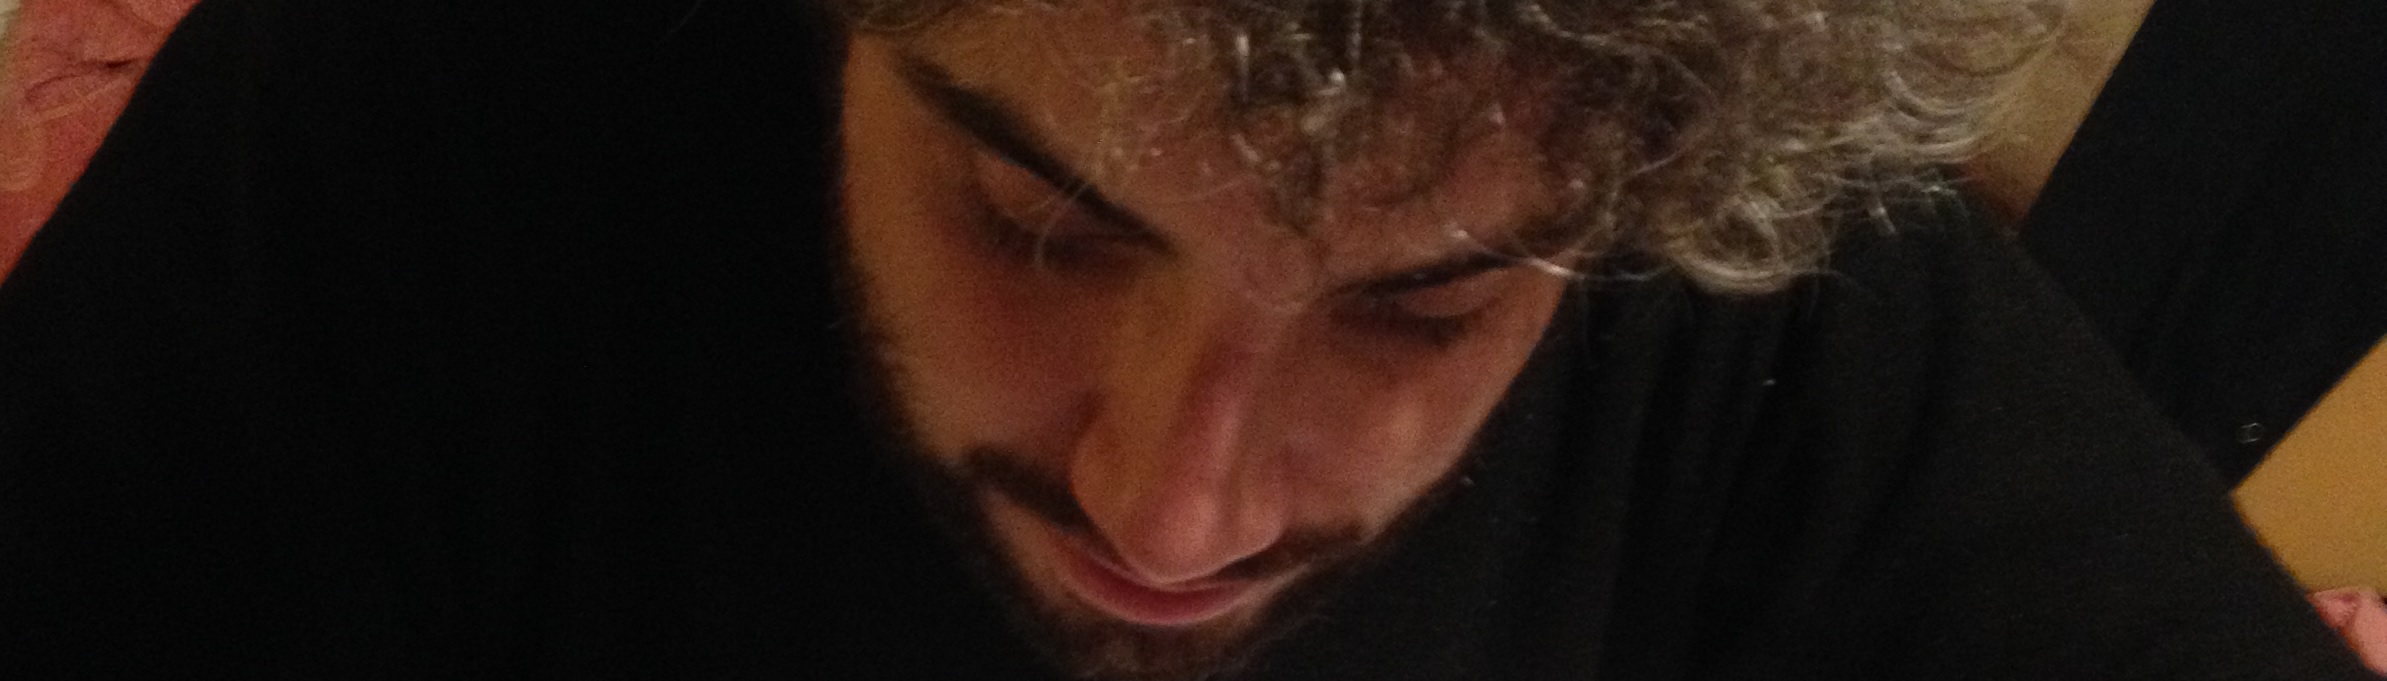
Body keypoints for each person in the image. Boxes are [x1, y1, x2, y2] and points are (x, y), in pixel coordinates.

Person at [0, 0, 2374, 679]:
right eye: (1035, 224)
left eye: (1424, 303)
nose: (1178, 502)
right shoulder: (398, 128)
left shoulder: (1729, 239)